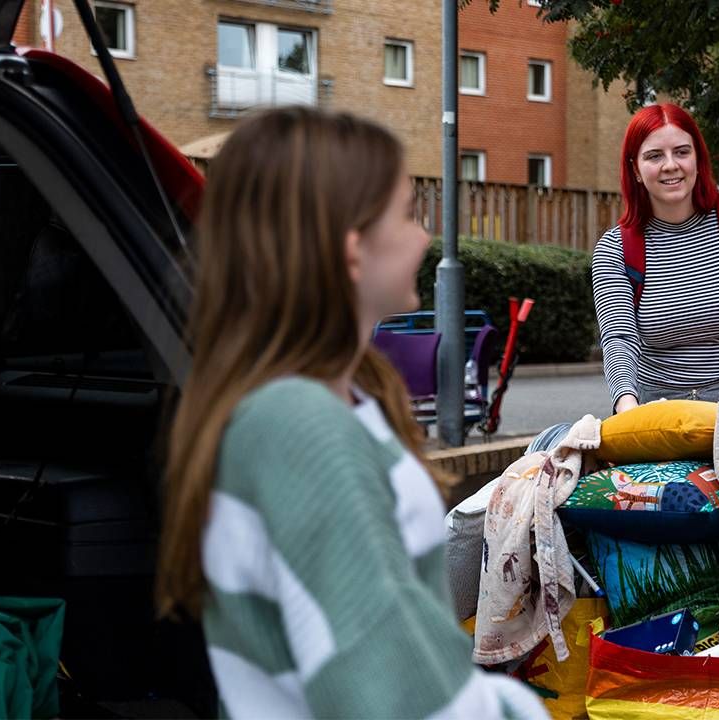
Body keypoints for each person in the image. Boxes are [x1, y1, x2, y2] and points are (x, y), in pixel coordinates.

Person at [154, 107, 546, 719]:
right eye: (409, 215)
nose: (423, 237)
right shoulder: (300, 428)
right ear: (352, 248)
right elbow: (393, 691)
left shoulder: (337, 396)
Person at [592, 103, 719, 413]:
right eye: (654, 156)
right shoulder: (615, 248)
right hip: (655, 410)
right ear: (635, 170)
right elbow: (619, 338)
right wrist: (627, 407)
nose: (670, 165)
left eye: (682, 152)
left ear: (698, 159)